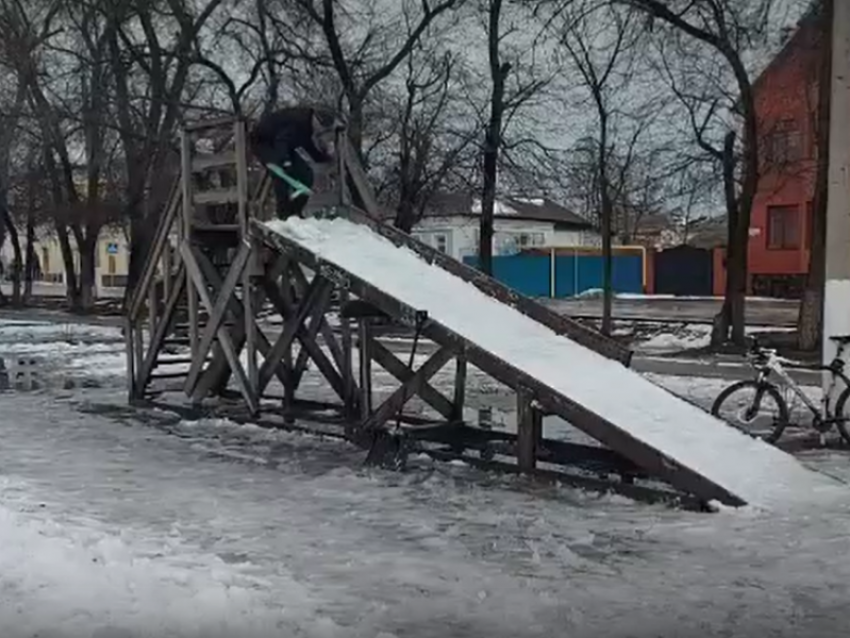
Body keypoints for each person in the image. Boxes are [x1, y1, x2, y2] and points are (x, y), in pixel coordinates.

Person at [248, 105, 341, 220]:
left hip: (284, 145)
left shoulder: (308, 125)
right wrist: (286, 162)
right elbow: (281, 140)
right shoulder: (298, 121)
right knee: (281, 174)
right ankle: (283, 215)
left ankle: (296, 212)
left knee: (306, 175)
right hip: (263, 141)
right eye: (321, 128)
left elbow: (307, 146)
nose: (319, 132)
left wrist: (323, 158)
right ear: (316, 120)